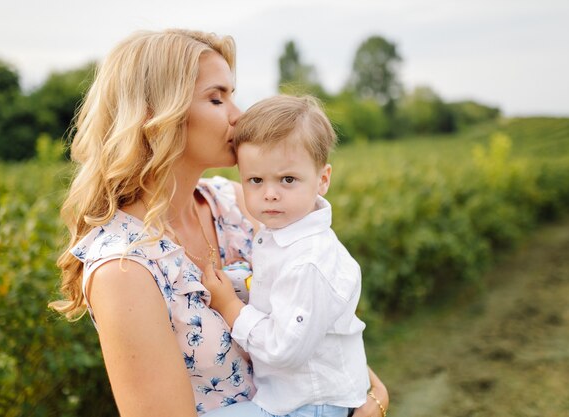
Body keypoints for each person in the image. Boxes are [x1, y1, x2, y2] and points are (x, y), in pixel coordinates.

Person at [49, 28, 388, 417]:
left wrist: (371, 399)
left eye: (232, 95)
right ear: (155, 116)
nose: (238, 115)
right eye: (216, 98)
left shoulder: (237, 203)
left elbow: (315, 320)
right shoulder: (124, 268)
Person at [202, 95, 385, 417]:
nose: (270, 192)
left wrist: (230, 306)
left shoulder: (308, 260)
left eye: (288, 179)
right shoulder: (280, 237)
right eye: (255, 180)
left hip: (310, 404)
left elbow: (282, 349)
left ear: (323, 179)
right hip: (294, 397)